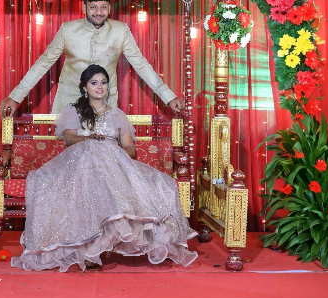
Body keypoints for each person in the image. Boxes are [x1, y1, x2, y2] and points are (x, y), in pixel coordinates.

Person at [11, 64, 198, 272]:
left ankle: (98, 246)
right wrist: (90, 139)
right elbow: (71, 138)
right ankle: (88, 249)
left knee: (160, 183)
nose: (99, 87)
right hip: (81, 161)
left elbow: (129, 149)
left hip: (112, 163)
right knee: (91, 152)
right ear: (84, 87)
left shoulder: (117, 114)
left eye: (103, 82)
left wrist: (111, 151)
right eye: (93, 83)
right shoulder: (74, 111)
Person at [0, 0, 184, 116]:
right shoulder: (68, 29)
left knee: (102, 157)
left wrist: (168, 97)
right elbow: (43, 63)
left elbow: (141, 65)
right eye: (93, 7)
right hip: (70, 101)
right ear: (84, 7)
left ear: (109, 8)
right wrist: (16, 97)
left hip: (104, 102)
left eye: (103, 7)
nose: (99, 12)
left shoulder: (120, 30)